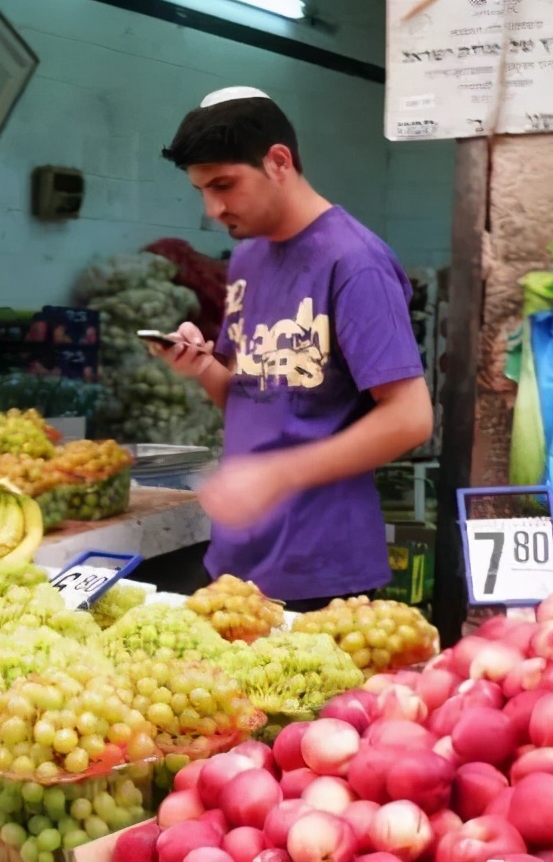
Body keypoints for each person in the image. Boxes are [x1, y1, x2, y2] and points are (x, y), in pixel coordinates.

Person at [154, 87, 433, 612]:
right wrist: (201, 369)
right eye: (201, 191)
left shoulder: (355, 263)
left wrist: (277, 474)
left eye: (224, 185)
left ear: (278, 161)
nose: (213, 208)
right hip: (233, 565)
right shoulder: (248, 258)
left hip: (323, 573)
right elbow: (256, 397)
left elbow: (411, 418)